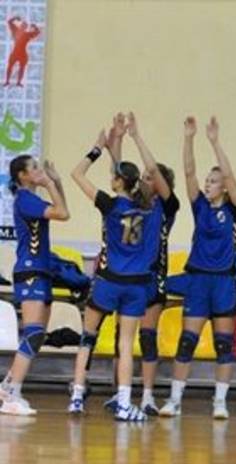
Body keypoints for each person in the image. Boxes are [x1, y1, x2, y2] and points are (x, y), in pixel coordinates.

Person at [67, 117, 164, 422]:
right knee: (125, 343)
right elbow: (135, 176)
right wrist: (119, 147)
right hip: (136, 285)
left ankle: (76, 398)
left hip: (108, 280)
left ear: (117, 182)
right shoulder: (150, 209)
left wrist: (99, 148)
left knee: (88, 336)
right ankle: (124, 404)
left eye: (113, 176)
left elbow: (76, 173)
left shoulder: (109, 205)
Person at [159, 116, 236, 419]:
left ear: (224, 188)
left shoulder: (235, 210)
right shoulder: (200, 206)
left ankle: (220, 402)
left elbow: (230, 176)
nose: (207, 184)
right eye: (207, 180)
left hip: (223, 283)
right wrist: (189, 138)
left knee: (224, 345)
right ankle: (174, 400)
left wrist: (215, 142)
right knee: (187, 343)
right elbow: (189, 171)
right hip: (198, 281)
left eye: (213, 181)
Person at [0, 155, 69, 415]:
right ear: (23, 176)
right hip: (30, 272)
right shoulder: (26, 200)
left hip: (41, 270)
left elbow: (64, 211)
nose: (40, 171)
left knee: (37, 336)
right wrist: (50, 184)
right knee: (33, 333)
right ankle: (11, 393)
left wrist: (56, 182)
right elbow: (61, 213)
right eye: (35, 168)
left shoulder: (32, 199)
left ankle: (7, 386)